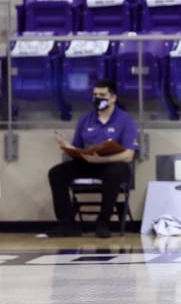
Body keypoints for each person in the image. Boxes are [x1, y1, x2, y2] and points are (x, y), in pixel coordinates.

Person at [48, 79, 139, 239]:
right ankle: (67, 224)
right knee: (56, 173)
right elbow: (77, 148)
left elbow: (128, 155)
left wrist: (101, 160)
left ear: (113, 98)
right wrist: (66, 145)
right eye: (95, 95)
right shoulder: (86, 119)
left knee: (114, 173)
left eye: (102, 95)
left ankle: (103, 222)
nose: (98, 98)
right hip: (88, 162)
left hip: (113, 164)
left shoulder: (125, 120)